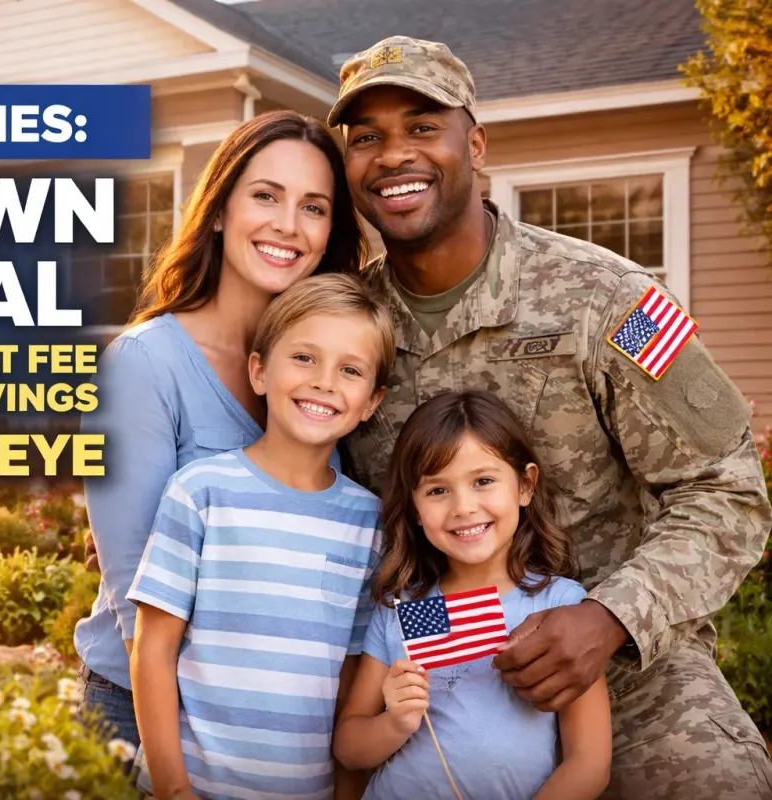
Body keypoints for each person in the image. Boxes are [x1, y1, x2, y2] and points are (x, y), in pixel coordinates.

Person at [329, 35, 772, 798]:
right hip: (435, 671)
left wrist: (608, 619)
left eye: (423, 126)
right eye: (366, 138)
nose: (393, 154)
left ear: (475, 144)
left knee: (717, 782)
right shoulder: (342, 329)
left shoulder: (613, 297)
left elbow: (727, 492)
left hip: (625, 671)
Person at [75, 109, 370, 749]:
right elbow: (135, 604)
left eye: (314, 207)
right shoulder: (143, 363)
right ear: (217, 210)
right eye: (265, 196)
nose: (288, 225)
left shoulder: (327, 372)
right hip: (145, 711)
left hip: (282, 720)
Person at [127, 272, 394, 800]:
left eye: (349, 370)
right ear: (259, 371)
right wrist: (173, 788)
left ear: (371, 402)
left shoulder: (369, 523)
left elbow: (351, 675)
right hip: (192, 786)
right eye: (304, 358)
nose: (324, 382)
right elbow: (153, 651)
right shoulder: (200, 492)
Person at [335, 390, 612, 799]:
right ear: (413, 508)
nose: (463, 507)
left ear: (525, 485)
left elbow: (589, 764)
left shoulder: (560, 607)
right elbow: (348, 747)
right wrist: (395, 722)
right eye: (437, 490)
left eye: (483, 481)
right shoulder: (405, 609)